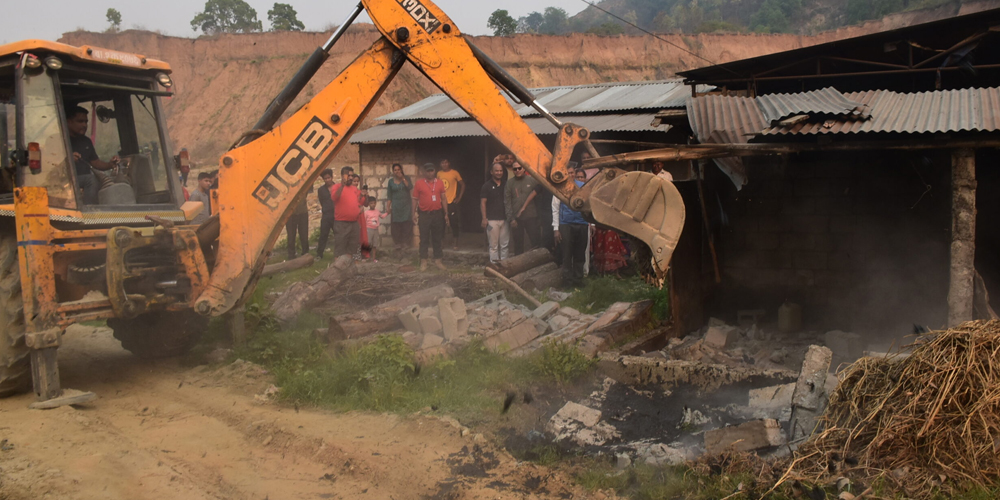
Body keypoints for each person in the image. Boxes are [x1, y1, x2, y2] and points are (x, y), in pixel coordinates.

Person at [66, 105, 119, 205]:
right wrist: (68, 160)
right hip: (65, 181)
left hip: (83, 182)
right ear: (69, 122)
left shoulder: (86, 141)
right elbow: (51, 166)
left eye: (86, 122)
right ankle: (91, 209)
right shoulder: (59, 140)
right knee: (91, 179)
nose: (84, 125)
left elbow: (95, 162)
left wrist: (110, 164)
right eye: (80, 121)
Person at [553, 168, 590, 286]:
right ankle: (567, 281)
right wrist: (556, 228)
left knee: (580, 253)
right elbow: (555, 208)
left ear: (575, 174)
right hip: (566, 223)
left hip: (582, 223)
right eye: (568, 173)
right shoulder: (560, 188)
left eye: (572, 173)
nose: (571, 175)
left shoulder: (583, 186)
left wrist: (592, 223)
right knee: (567, 254)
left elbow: (590, 204)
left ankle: (578, 280)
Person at [412, 163, 449, 271]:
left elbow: (443, 198)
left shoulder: (440, 183)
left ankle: (438, 261)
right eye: (428, 171)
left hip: (437, 214)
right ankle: (423, 261)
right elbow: (415, 199)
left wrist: (446, 213)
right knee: (424, 238)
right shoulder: (419, 183)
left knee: (437, 238)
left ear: (435, 171)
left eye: (431, 170)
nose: (430, 173)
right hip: (424, 215)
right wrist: (413, 213)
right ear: (424, 172)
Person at [504, 161, 540, 255]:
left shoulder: (532, 181)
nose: (517, 170)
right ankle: (518, 262)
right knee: (518, 244)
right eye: (515, 169)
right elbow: (507, 202)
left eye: (519, 168)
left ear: (524, 168)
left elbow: (539, 196)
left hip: (531, 216)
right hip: (516, 218)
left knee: (535, 241)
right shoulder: (510, 183)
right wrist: (511, 219)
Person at [331, 166, 363, 259]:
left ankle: (348, 265)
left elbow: (358, 202)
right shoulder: (336, 186)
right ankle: (338, 266)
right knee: (340, 248)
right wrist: (342, 186)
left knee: (352, 248)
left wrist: (358, 209)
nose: (350, 178)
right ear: (342, 176)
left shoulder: (354, 189)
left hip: (354, 223)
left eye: (352, 175)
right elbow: (334, 197)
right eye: (348, 175)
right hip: (341, 223)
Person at [480, 162, 508, 263]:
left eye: (501, 171)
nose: (499, 173)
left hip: (505, 219)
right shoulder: (486, 186)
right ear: (491, 172)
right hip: (491, 220)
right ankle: (494, 266)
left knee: (504, 245)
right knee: (493, 245)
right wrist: (484, 218)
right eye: (496, 171)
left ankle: (504, 266)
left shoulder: (506, 184)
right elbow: (483, 203)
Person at [436, 158, 464, 250]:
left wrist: (459, 197)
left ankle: (455, 244)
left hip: (451, 202)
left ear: (449, 163)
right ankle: (441, 244)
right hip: (441, 202)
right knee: (441, 224)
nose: (444, 164)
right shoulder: (439, 174)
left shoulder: (454, 173)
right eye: (442, 163)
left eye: (446, 162)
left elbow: (463, 185)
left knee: (454, 223)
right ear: (440, 164)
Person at [386, 163, 413, 249]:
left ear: (401, 170)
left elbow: (409, 187)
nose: (397, 171)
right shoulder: (391, 181)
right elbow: (389, 195)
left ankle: (406, 243)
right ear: (393, 171)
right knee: (396, 225)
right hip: (396, 207)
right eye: (395, 170)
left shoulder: (406, 178)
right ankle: (397, 243)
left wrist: (402, 178)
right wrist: (388, 207)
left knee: (406, 224)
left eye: (398, 169)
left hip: (406, 206)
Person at [285, 188, 311, 260]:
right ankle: (291, 255)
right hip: (290, 214)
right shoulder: (287, 188)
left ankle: (305, 253)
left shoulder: (302, 186)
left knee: (304, 234)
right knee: (291, 235)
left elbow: (306, 193)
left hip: (302, 212)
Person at [316, 168, 336, 259]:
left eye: (329, 178)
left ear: (332, 177)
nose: (327, 180)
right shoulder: (321, 190)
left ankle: (340, 253)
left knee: (338, 235)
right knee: (323, 235)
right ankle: (319, 254)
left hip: (336, 215)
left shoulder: (337, 187)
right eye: (325, 178)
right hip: (326, 215)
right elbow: (322, 202)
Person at [363, 196, 388, 262]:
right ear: (368, 204)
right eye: (371, 203)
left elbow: (382, 216)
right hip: (369, 229)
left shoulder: (377, 211)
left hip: (375, 230)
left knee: (375, 244)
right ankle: (366, 257)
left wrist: (387, 213)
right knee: (368, 243)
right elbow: (364, 221)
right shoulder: (366, 212)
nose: (373, 204)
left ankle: (373, 258)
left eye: (374, 203)